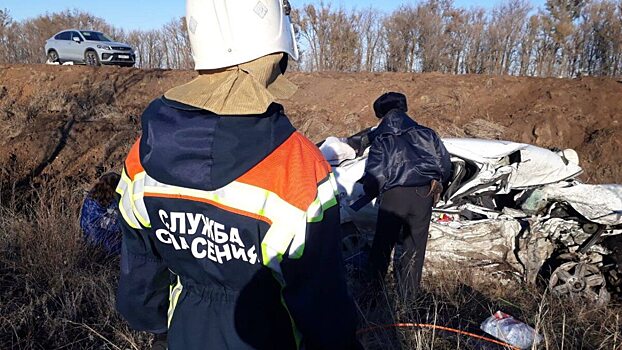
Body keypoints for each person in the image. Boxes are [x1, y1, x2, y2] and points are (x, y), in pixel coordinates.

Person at [114, 1, 360, 349]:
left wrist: (156, 324)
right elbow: (321, 298)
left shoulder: (142, 153)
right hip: (267, 333)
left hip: (186, 329)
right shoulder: (297, 164)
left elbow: (140, 265)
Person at [360, 92, 452, 300]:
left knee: (382, 248)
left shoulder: (383, 138)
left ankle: (371, 298)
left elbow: (375, 176)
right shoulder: (428, 133)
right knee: (415, 250)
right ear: (404, 109)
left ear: (381, 114)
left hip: (394, 197)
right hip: (424, 194)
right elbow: (445, 166)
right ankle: (408, 301)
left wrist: (370, 191)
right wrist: (436, 184)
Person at [80, 172, 122, 255]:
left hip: (89, 238)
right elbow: (114, 224)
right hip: (102, 243)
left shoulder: (93, 197)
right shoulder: (106, 201)